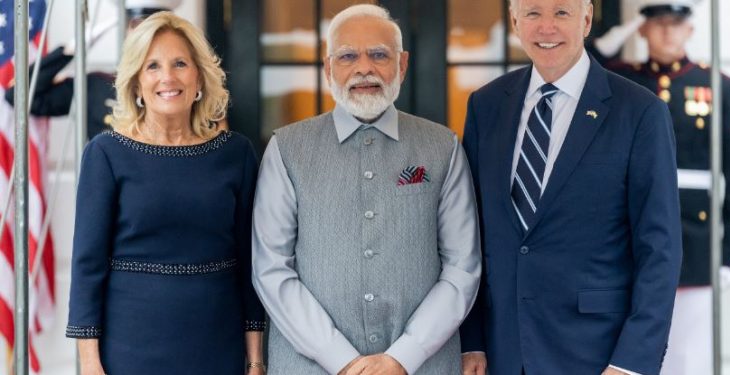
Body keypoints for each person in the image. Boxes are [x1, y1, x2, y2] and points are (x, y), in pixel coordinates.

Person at [251, 4, 481, 375]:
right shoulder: (286, 149)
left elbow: (462, 267)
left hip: (422, 366)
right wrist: (340, 359)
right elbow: (271, 269)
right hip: (309, 366)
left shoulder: (444, 147)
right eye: (347, 56)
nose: (364, 68)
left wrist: (403, 357)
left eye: (379, 55)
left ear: (402, 65)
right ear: (328, 69)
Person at [459, 0, 682, 374]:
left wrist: (632, 362)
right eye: (533, 13)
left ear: (587, 19)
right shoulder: (486, 105)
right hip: (502, 353)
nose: (546, 28)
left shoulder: (640, 112)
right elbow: (470, 235)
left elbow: (660, 248)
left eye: (561, 12)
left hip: (597, 354)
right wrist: (472, 342)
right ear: (515, 20)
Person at [65, 12, 266, 374]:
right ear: (137, 82)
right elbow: (87, 268)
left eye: (179, 64)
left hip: (216, 346)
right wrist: (90, 364)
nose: (167, 78)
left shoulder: (236, 154)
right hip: (129, 349)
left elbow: (250, 263)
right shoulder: (106, 154)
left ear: (199, 77)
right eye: (152, 66)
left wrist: (255, 360)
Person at [588, 1, 730, 373]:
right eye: (656, 24)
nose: (666, 32)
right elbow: (580, 65)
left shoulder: (718, 86)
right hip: (631, 233)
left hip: (695, 238)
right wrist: (617, 36)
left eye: (675, 25)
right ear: (643, 31)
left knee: (690, 357)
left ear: (689, 30)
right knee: (633, 351)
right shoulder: (622, 80)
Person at [4, 0, 182, 140]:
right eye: (138, 29)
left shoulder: (185, 87)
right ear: (126, 33)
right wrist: (70, 50)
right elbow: (18, 96)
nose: (146, 41)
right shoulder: (94, 86)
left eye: (157, 31)